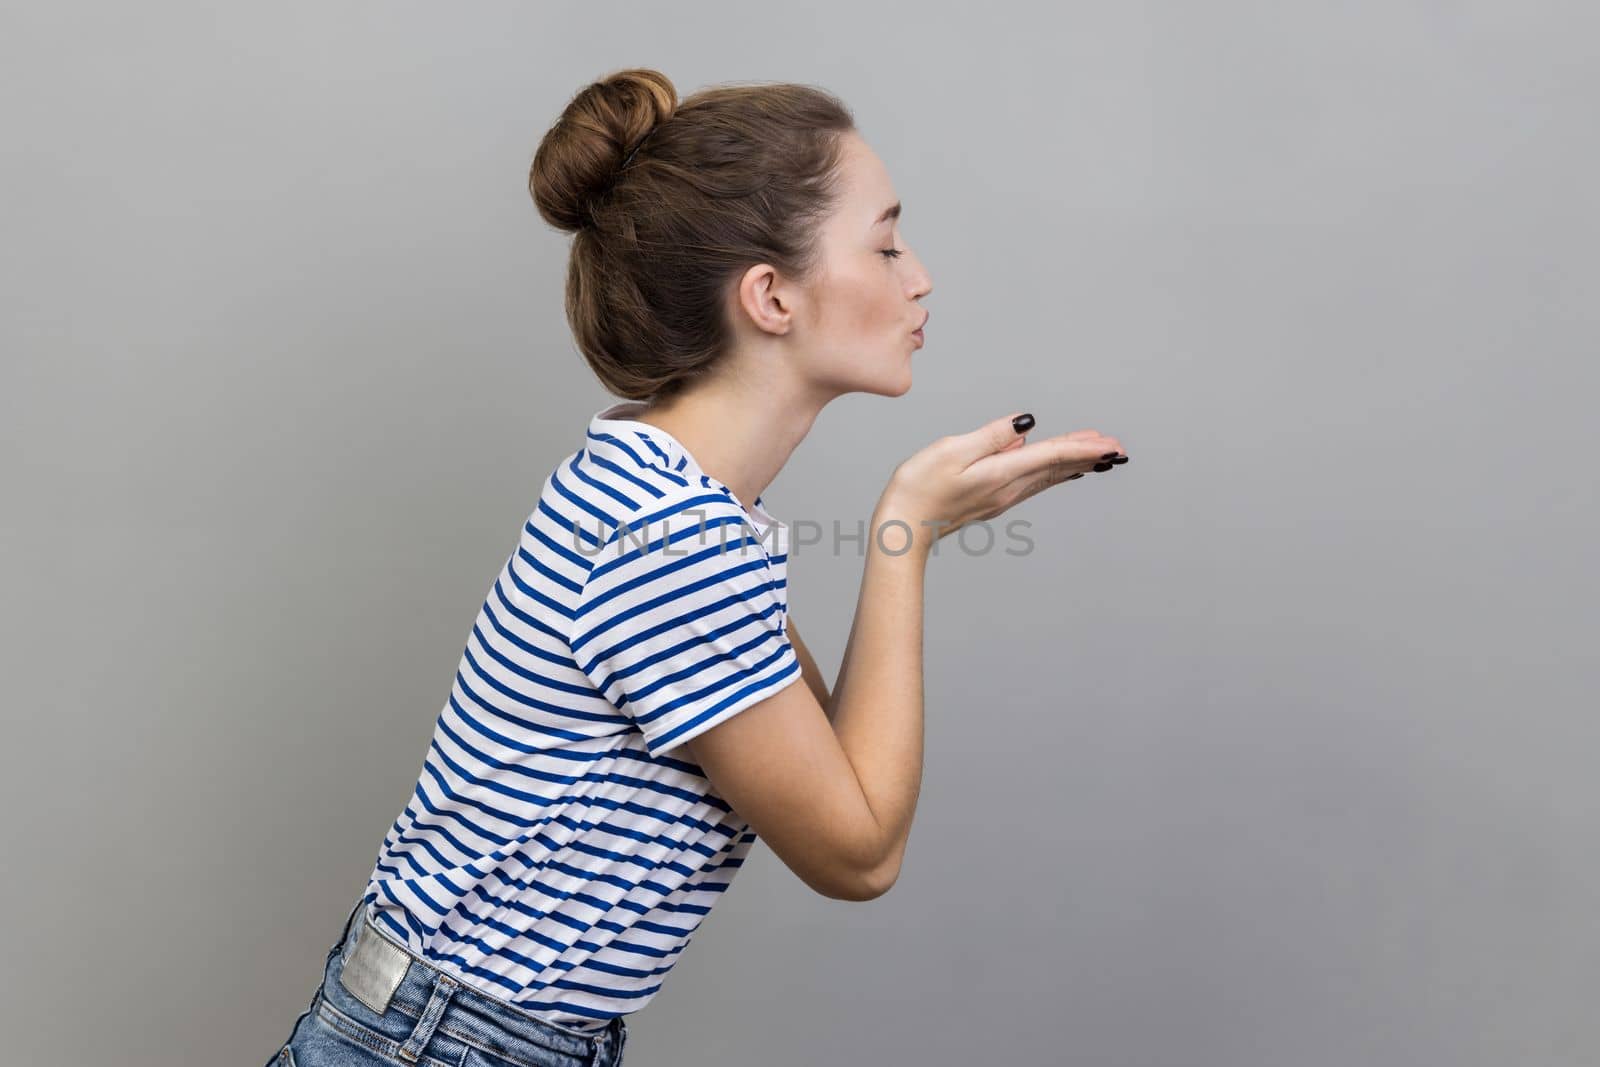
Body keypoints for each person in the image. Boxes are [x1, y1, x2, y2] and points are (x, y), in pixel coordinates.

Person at [266, 67, 1128, 1067]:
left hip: (448, 1030)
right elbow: (858, 849)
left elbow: (832, 767)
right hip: (449, 1043)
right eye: (885, 243)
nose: (918, 275)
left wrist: (912, 530)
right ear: (769, 296)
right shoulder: (670, 543)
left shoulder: (664, 492)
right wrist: (903, 533)